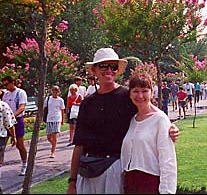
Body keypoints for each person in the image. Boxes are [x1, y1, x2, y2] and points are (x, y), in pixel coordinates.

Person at [67, 47, 180, 194]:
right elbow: (79, 145)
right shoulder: (87, 103)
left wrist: (169, 126)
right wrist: (72, 181)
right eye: (103, 66)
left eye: (113, 66)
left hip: (113, 168)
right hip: (88, 171)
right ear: (94, 70)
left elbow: (148, 112)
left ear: (117, 70)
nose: (108, 70)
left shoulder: (127, 96)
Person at [121, 75, 177, 194]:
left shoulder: (160, 120)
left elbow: (168, 160)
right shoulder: (133, 120)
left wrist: (167, 191)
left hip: (150, 183)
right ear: (130, 94)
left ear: (152, 93)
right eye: (135, 91)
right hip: (130, 182)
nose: (140, 96)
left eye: (145, 91)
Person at [1, 75, 28, 176]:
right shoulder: (6, 94)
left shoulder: (20, 93)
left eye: (7, 84)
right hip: (6, 122)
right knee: (2, 144)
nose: (5, 87)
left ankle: (24, 164)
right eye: (4, 85)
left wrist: (12, 116)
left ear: (13, 82)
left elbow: (22, 107)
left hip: (17, 120)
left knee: (19, 144)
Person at [44, 85, 65, 158]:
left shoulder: (60, 100)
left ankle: (52, 152)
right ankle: (54, 144)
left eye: (56, 92)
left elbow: (62, 110)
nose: (55, 93)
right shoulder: (48, 99)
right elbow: (45, 108)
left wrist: (62, 120)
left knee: (54, 135)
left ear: (58, 92)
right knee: (49, 137)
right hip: (49, 118)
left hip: (57, 118)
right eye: (54, 91)